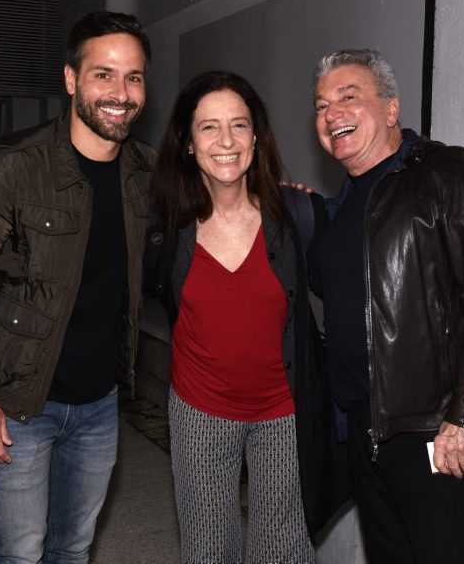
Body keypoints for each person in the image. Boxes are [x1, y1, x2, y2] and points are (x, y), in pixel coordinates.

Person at [0, 11, 155, 563]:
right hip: (15, 404)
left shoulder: (145, 174)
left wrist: (283, 196)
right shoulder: (8, 167)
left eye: (133, 77)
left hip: (101, 404)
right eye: (103, 74)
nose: (121, 93)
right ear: (70, 79)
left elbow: (219, 187)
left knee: (73, 549)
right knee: (18, 553)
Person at [310, 48, 464, 563]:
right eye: (320, 106)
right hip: (367, 429)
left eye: (348, 97)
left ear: (390, 109)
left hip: (437, 432)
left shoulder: (449, 173)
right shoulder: (340, 208)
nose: (331, 113)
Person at [145, 70, 345, 563]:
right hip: (199, 410)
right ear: (189, 144)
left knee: (284, 551)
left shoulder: (298, 216)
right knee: (210, 549)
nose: (226, 141)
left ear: (256, 137)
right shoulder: (165, 228)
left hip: (282, 412)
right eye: (209, 127)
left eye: (239, 125)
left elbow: (352, 287)